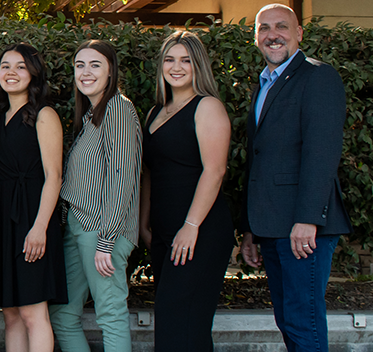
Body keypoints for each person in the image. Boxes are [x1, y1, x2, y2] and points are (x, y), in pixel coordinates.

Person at [239, 5, 350, 352]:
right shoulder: (265, 83)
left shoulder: (318, 76)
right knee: (287, 318)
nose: (273, 35)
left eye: (282, 27)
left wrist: (307, 219)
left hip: (303, 228)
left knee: (305, 321)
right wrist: (250, 229)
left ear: (299, 33)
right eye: (265, 28)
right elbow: (261, 162)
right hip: (272, 225)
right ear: (256, 36)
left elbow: (322, 154)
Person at [138, 31, 234, 352]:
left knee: (183, 320)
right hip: (165, 231)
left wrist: (190, 226)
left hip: (199, 231)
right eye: (169, 59)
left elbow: (215, 170)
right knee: (172, 322)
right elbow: (150, 171)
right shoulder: (155, 113)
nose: (176, 67)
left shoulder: (207, 107)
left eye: (185, 60)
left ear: (198, 66)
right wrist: (143, 222)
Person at [48, 39, 141, 352]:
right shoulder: (91, 116)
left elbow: (121, 178)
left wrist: (107, 240)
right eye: (79, 65)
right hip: (78, 227)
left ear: (111, 71)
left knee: (111, 315)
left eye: (95, 64)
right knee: (62, 315)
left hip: (102, 233)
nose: (85, 72)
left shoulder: (118, 108)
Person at [0, 43, 66, 352]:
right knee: (11, 313)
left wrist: (40, 227)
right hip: (4, 220)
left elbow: (53, 176)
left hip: (34, 217)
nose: (11, 73)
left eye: (20, 66)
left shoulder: (44, 115)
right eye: (5, 66)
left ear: (33, 73)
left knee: (33, 311)